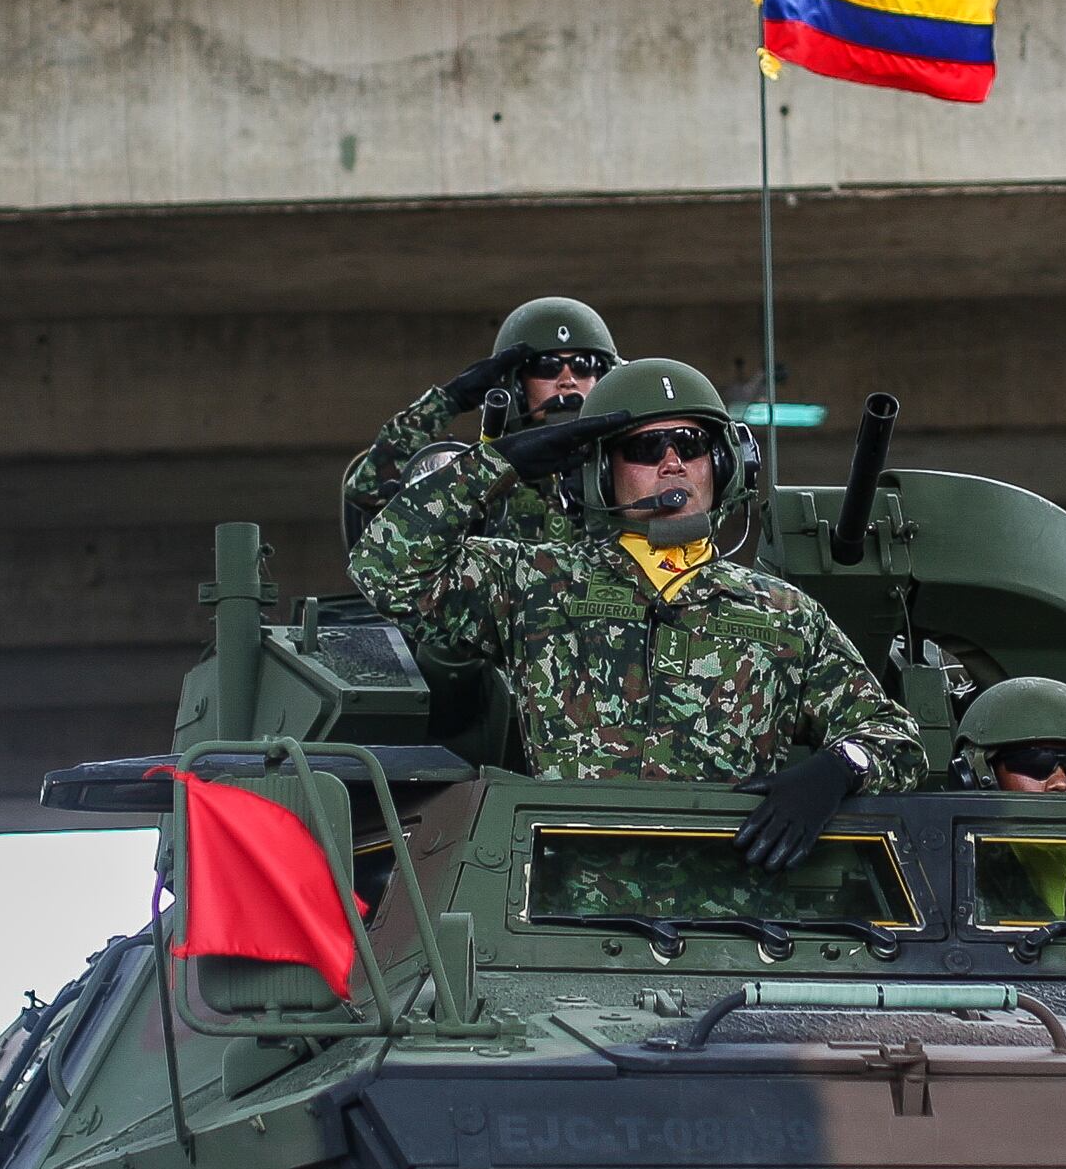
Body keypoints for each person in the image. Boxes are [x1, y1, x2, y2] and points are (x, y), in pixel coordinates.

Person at [350, 357, 905, 865]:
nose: (671, 464)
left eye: (689, 444)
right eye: (643, 449)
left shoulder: (784, 614)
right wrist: (498, 464)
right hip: (560, 910)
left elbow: (892, 735)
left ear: (723, 465)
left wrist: (840, 767)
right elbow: (384, 567)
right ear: (600, 473)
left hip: (730, 917)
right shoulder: (538, 585)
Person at [339, 296, 622, 551]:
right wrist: (450, 400)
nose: (567, 380)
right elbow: (368, 490)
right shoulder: (478, 472)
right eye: (546, 366)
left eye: (584, 365)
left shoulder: (641, 461)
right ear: (518, 386)